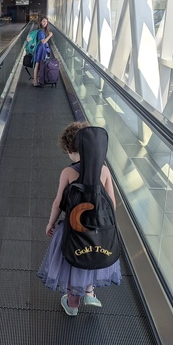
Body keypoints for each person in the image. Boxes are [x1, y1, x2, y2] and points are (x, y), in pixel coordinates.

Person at [37, 121, 121, 316]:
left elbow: (58, 203)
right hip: (98, 229)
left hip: (73, 228)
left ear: (69, 149)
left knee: (73, 261)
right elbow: (112, 204)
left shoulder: (68, 172)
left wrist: (50, 223)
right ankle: (90, 293)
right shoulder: (104, 170)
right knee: (92, 256)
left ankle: (72, 304)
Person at [32, 16, 53, 87]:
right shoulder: (41, 31)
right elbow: (43, 42)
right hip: (40, 49)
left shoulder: (42, 30)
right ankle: (35, 81)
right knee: (37, 64)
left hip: (41, 49)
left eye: (46, 21)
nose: (45, 23)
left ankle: (37, 80)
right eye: (44, 21)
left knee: (38, 65)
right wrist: (49, 36)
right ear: (40, 22)